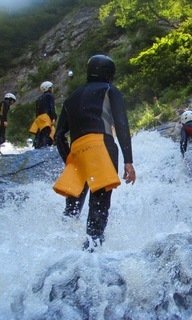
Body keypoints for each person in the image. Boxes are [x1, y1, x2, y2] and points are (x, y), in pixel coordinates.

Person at [53, 54, 136, 252]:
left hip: (77, 151)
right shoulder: (110, 90)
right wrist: (129, 161)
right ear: (109, 74)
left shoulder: (71, 98)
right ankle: (93, 248)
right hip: (101, 146)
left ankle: (60, 248)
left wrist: (70, 161)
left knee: (73, 206)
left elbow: (58, 136)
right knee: (99, 202)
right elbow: (121, 125)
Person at [29, 81, 57, 149]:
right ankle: (45, 149)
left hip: (39, 119)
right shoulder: (50, 95)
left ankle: (38, 147)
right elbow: (51, 107)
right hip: (46, 118)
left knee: (39, 135)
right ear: (49, 88)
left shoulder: (39, 98)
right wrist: (53, 117)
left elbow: (37, 111)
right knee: (47, 135)